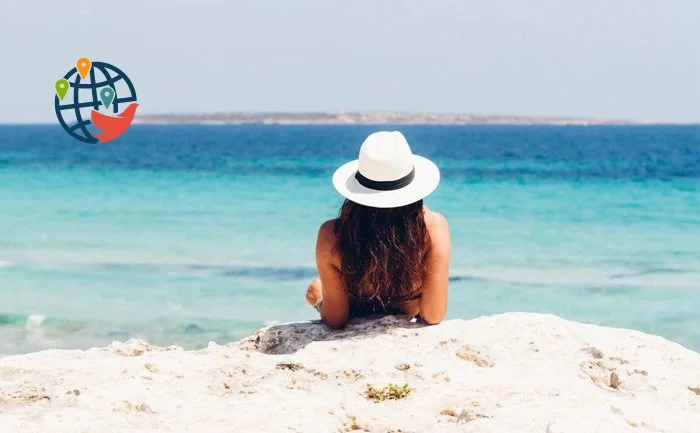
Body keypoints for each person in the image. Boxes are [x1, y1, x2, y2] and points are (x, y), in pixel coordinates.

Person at [305, 131, 451, 329]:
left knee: (315, 287)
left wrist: (319, 299)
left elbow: (336, 319)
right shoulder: (432, 228)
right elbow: (433, 315)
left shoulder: (332, 235)